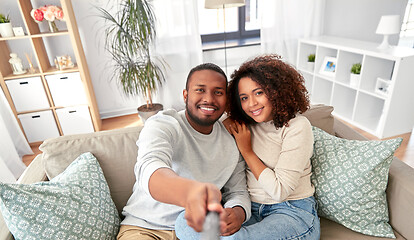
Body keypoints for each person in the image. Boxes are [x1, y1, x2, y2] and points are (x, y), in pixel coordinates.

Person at [118, 63, 251, 240]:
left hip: (200, 231)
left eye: (218, 92)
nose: (209, 99)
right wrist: (190, 193)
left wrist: (238, 213)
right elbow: (150, 166)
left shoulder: (232, 137)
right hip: (147, 228)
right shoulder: (164, 124)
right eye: (200, 90)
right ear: (185, 95)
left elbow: (238, 191)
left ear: (226, 99)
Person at [222, 54, 320, 240]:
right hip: (250, 209)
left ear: (276, 91)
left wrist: (247, 151)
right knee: (194, 225)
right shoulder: (245, 124)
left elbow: (279, 191)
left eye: (259, 93)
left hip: (292, 210)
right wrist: (224, 123)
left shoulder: (297, 126)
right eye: (244, 97)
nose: (251, 104)